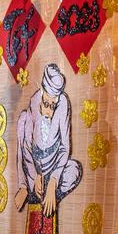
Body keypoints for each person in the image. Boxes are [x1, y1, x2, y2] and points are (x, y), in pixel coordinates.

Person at [14, 63, 82, 217]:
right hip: (34, 170)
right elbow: (26, 148)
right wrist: (34, 177)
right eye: (46, 104)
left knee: (75, 169)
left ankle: (45, 198)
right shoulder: (34, 101)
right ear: (42, 92)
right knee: (22, 118)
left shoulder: (63, 103)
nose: (49, 112)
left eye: (53, 106)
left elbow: (65, 148)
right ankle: (27, 189)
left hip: (54, 170)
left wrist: (53, 182)